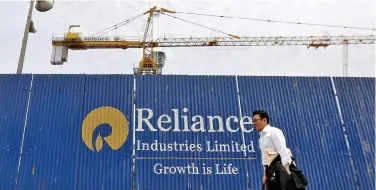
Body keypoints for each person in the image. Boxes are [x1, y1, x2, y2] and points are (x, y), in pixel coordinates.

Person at [252, 110, 308, 190]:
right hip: (271, 170)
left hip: (281, 167)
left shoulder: (273, 131)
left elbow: (283, 151)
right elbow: (265, 158)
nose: (254, 123)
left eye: (255, 120)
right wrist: (265, 174)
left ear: (264, 120)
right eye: (253, 121)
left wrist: (287, 173)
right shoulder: (261, 137)